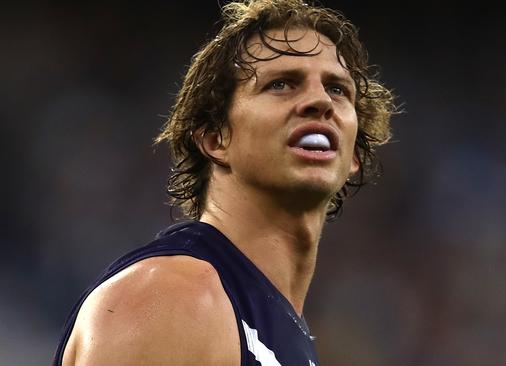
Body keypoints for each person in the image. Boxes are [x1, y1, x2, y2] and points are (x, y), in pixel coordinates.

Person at [53, 0, 395, 364]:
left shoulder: (278, 331)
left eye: (338, 90)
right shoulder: (174, 295)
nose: (320, 101)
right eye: (281, 84)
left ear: (355, 155)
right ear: (216, 138)